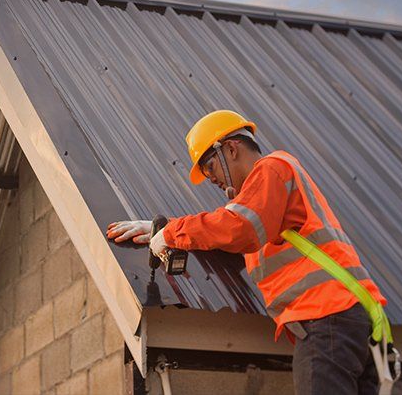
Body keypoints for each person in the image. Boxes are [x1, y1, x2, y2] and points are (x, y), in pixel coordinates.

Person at [107, 110, 387, 395]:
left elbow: (238, 228)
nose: (210, 179)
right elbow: (230, 231)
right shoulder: (268, 202)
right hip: (347, 319)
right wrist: (163, 230)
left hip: (325, 316)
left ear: (230, 148)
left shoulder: (273, 168)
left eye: (209, 167)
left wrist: (172, 232)